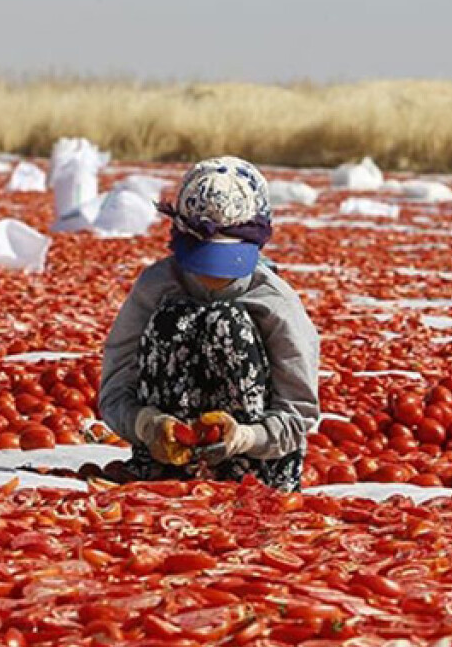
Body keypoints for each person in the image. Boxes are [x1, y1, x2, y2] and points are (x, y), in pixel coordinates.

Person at [97, 156, 320, 491]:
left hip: (257, 473)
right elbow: (114, 388)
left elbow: (298, 414)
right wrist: (148, 425)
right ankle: (168, 464)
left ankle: (239, 465)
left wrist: (245, 436)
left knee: (225, 321)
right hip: (165, 465)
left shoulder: (274, 301)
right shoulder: (157, 286)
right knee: (175, 316)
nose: (213, 275)